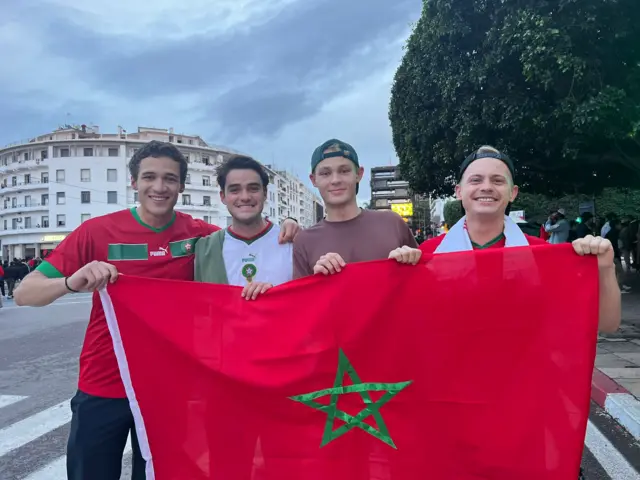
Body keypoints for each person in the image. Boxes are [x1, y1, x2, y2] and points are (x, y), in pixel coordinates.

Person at [13, 141, 300, 480]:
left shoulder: (199, 236)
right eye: (149, 177)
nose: (160, 187)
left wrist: (289, 225)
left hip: (167, 388)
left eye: (170, 179)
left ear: (181, 185)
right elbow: (24, 293)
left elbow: (244, 236)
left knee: (156, 474)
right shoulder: (95, 231)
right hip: (105, 382)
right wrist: (70, 283)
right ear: (133, 182)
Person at [420, 145, 620, 335]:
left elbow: (607, 324)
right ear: (459, 192)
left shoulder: (543, 256)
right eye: (476, 180)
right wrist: (397, 269)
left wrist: (605, 269)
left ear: (513, 193)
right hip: (452, 369)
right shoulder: (428, 255)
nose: (487, 187)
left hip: (526, 370)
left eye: (498, 181)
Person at [293, 139, 422, 280]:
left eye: (344, 171)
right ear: (313, 180)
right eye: (325, 173)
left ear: (359, 174)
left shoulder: (392, 223)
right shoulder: (304, 241)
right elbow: (301, 301)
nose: (335, 180)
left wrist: (411, 261)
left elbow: (425, 278)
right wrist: (317, 281)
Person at [194, 154, 293, 294]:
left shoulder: (291, 242)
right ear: (223, 196)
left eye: (253, 188)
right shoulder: (205, 249)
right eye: (235, 190)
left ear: (265, 193)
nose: (245, 197)